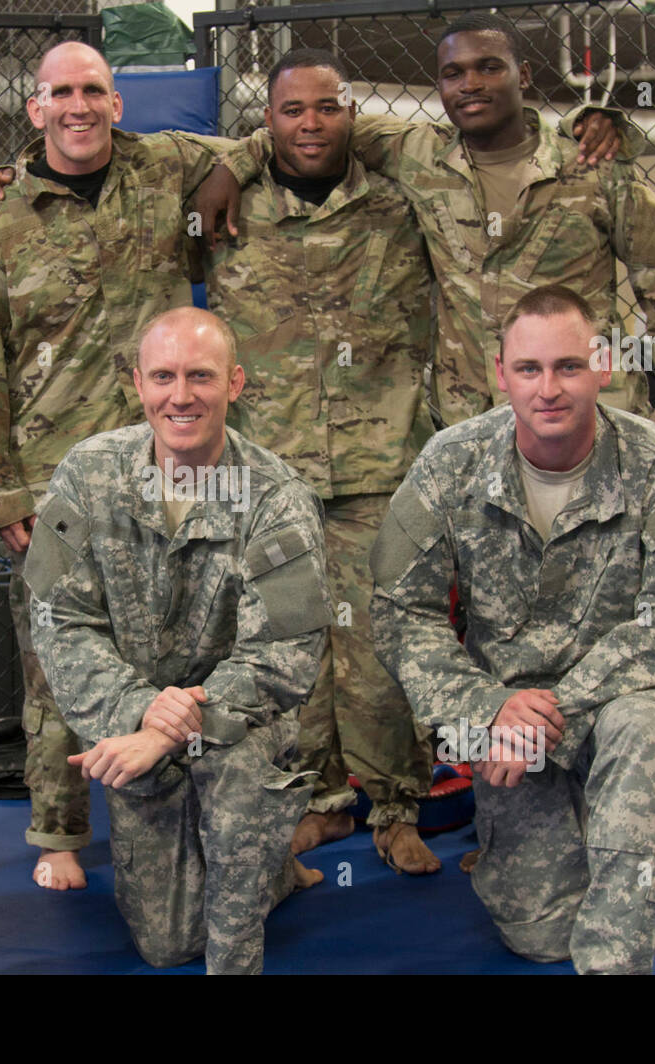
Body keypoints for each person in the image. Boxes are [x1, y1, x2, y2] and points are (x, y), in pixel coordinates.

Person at [371, 285, 655, 973]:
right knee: (537, 937)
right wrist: (487, 706)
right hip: (505, 719)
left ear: (602, 367)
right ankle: (622, 842)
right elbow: (397, 612)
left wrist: (558, 705)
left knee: (644, 726)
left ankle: (619, 931)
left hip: (618, 698)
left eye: (568, 367)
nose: (548, 389)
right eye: (529, 370)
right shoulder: (450, 463)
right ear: (501, 374)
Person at [0, 41, 240, 892]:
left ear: (117, 105)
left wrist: (226, 173)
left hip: (169, 462)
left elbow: (268, 147)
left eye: (93, 92)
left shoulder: (165, 169)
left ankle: (193, 807)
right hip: (54, 478)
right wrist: (2, 488)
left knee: (191, 633)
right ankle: (58, 831)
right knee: (54, 654)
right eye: (59, 95)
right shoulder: (0, 220)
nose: (77, 107)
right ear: (35, 110)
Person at [200, 12, 655, 445]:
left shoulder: (595, 168)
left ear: (523, 75)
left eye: (489, 67)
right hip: (472, 426)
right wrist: (237, 162)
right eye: (453, 73)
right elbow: (312, 127)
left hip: (581, 420)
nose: (470, 84)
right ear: (440, 86)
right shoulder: (419, 156)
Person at [23, 307, 330, 974]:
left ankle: (254, 877)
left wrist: (172, 725)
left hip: (237, 722)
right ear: (138, 383)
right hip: (131, 723)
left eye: (201, 376)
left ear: (237, 384)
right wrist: (138, 710)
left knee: (239, 789)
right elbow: (55, 618)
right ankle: (263, 868)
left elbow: (286, 654)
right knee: (166, 946)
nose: (180, 396)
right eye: (163, 376)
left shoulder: (278, 497)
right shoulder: (85, 476)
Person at [203, 49, 441, 874]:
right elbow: (115, 156)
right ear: (264, 121)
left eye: (328, 109)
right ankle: (317, 802)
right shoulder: (226, 209)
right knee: (290, 637)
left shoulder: (399, 202)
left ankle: (398, 804)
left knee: (379, 643)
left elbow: (467, 141)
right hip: (274, 469)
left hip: (381, 461)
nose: (311, 124)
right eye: (291, 110)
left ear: (352, 116)